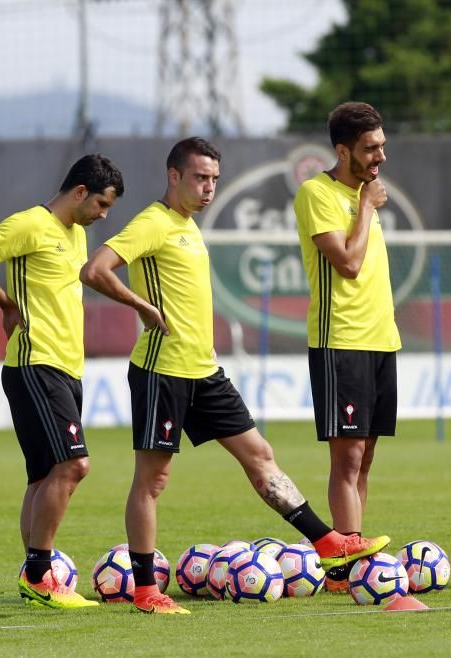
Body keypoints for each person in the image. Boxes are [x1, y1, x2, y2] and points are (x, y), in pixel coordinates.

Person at [79, 136, 390, 615]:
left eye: (214, 180)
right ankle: (145, 590)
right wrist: (140, 305)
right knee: (153, 480)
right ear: (174, 176)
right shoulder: (154, 222)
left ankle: (328, 543)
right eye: (200, 178)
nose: (208, 189)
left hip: (205, 371)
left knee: (260, 456)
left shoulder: (187, 225)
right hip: (163, 372)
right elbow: (95, 269)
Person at [0, 154, 124, 608]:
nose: (104, 215)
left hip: (67, 368)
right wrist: (6, 304)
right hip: (36, 365)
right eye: (102, 204)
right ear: (81, 191)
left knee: (43, 475)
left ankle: (35, 574)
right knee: (74, 466)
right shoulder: (31, 223)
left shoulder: (79, 235)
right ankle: (38, 577)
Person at [292, 102, 401, 592]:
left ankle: (352, 558)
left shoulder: (364, 195)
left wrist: (365, 203)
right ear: (342, 150)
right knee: (347, 457)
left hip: (381, 339)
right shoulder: (317, 193)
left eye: (381, 145)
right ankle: (346, 557)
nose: (380, 156)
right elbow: (348, 265)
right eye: (369, 148)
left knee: (367, 455)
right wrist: (365, 207)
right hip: (342, 341)